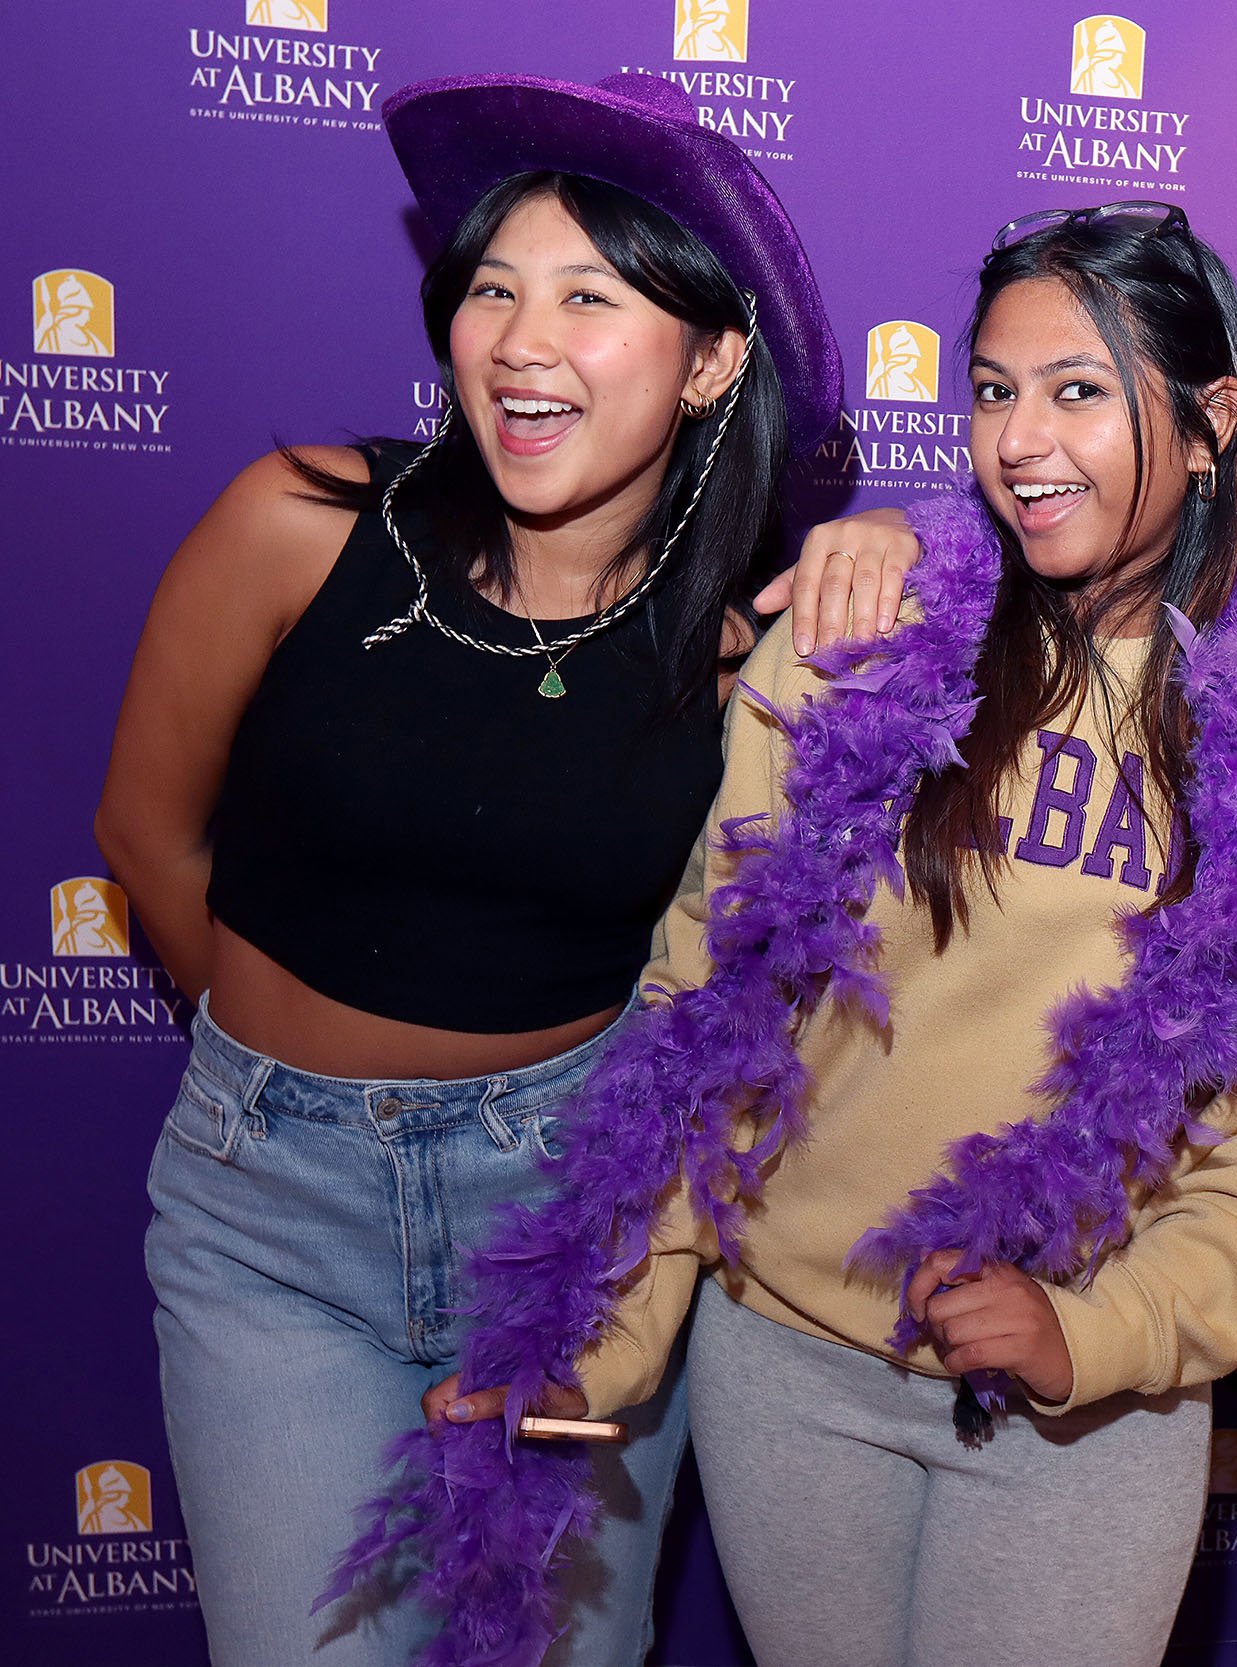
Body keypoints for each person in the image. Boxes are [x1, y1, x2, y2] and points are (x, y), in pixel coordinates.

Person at [426, 202, 1237, 1667]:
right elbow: (711, 1001)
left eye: (1079, 392)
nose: (1022, 440)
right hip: (790, 1365)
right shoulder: (859, 636)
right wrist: (597, 1331)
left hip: (1087, 1406)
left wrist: (1113, 1330)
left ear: (1211, 425)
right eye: (996, 390)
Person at [95, 70, 885, 1665]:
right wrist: (278, 1073)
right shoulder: (298, 525)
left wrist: (912, 540)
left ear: (712, 359)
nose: (521, 339)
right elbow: (145, 833)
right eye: (493, 289)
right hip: (272, 1231)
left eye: (592, 296)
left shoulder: (745, 661)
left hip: (572, 1227)